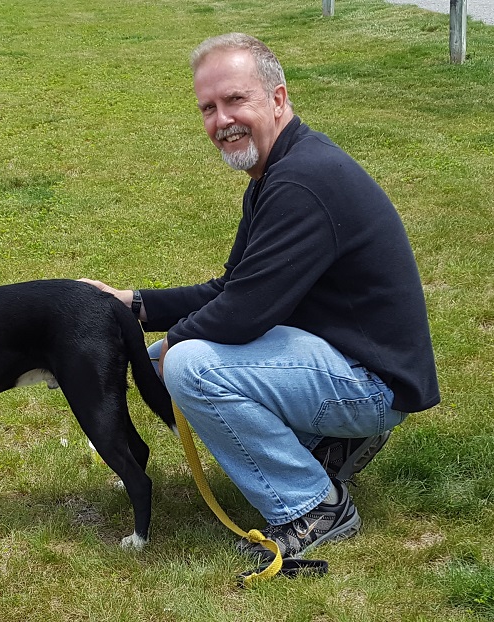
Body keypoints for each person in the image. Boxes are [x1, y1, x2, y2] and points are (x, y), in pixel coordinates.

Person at [82, 32, 439, 561]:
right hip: (358, 362)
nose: (221, 119)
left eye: (235, 100)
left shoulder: (300, 183)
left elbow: (242, 315)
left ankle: (313, 507)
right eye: (208, 107)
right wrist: (128, 302)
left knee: (191, 365)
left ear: (277, 99)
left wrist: (155, 353)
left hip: (372, 383)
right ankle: (325, 450)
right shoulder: (279, 172)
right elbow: (232, 288)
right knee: (178, 356)